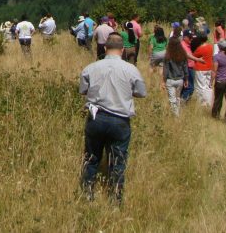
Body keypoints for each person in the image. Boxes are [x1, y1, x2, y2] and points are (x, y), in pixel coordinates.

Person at [79, 32, 147, 204]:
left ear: (104, 47)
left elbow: (83, 90)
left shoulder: (90, 68)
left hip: (97, 117)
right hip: (120, 119)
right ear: (122, 49)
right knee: (118, 159)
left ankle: (87, 193)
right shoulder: (131, 70)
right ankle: (115, 197)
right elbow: (141, 92)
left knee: (92, 157)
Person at [161, 37, 189, 117]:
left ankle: (176, 116)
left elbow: (165, 71)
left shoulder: (168, 56)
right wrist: (186, 79)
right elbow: (185, 68)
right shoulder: (183, 55)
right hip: (180, 80)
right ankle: (177, 114)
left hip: (170, 80)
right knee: (177, 98)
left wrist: (163, 81)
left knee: (172, 99)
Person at [211, 40, 226, 123]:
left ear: (219, 47)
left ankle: (215, 115)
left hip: (220, 80)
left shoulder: (217, 57)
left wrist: (211, 81)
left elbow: (214, 70)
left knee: (218, 99)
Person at [192, 33, 213, 107]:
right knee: (208, 86)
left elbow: (193, 56)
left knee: (201, 86)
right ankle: (209, 102)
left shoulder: (200, 48)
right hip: (209, 68)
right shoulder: (210, 47)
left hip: (200, 68)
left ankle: (202, 103)